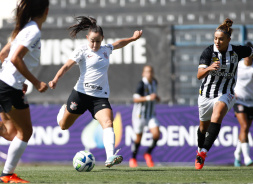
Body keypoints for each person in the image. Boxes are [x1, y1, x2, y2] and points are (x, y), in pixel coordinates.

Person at [48, 16, 142, 168]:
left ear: (102, 39)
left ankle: (110, 156)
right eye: (92, 40)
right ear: (87, 38)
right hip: (80, 95)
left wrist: (132, 38)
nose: (94, 44)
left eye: (98, 41)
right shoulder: (82, 51)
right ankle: (63, 111)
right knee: (63, 125)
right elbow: (66, 66)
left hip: (99, 97)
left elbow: (118, 43)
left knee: (108, 122)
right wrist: (55, 79)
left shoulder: (106, 50)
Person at [195, 18, 253, 170]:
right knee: (202, 128)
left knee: (218, 113)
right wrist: (209, 68)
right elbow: (199, 75)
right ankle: (200, 150)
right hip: (206, 94)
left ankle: (204, 152)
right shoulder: (208, 52)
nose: (217, 42)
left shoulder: (237, 51)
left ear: (228, 39)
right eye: (215, 38)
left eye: (220, 39)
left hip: (226, 92)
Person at [0, 0, 49, 182]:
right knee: (25, 133)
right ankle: (7, 175)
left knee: (12, 133)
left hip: (6, 83)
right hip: (9, 86)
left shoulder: (24, 29)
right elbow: (14, 58)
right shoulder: (33, 31)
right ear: (46, 11)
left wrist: (19, 79)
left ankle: (8, 174)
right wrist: (36, 83)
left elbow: (3, 55)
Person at [129, 65, 160, 168]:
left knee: (156, 134)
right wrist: (148, 98)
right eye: (147, 72)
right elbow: (135, 99)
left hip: (150, 114)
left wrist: (157, 98)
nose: (149, 74)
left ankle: (148, 153)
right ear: (143, 73)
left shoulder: (155, 82)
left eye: (151, 72)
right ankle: (133, 158)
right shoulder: (141, 84)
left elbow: (154, 95)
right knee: (138, 139)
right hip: (139, 115)